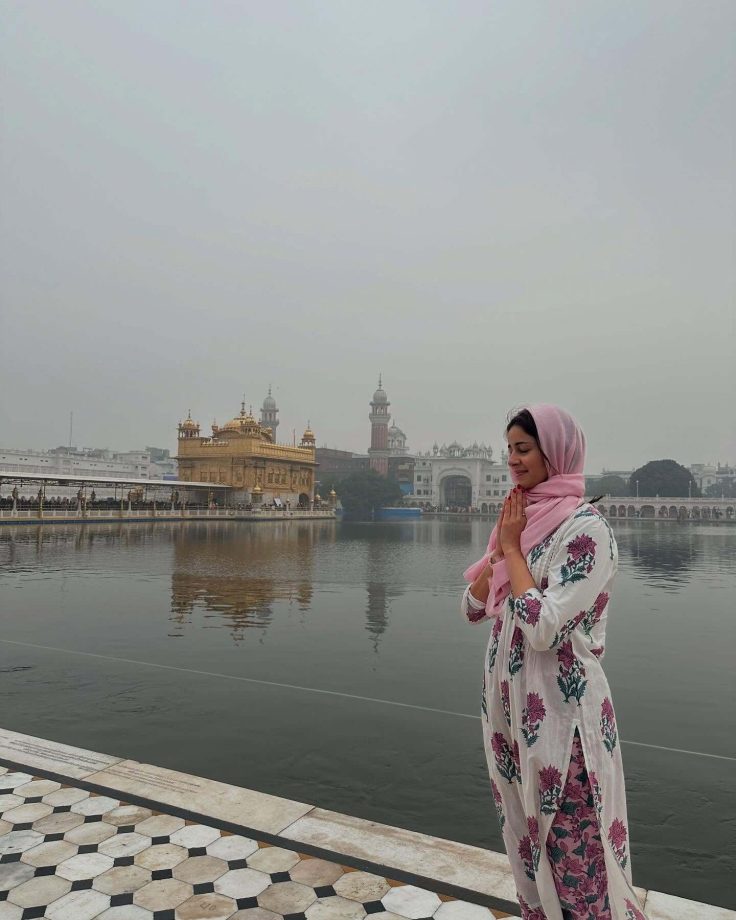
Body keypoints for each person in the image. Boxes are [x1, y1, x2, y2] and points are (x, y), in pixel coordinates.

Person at [461, 405, 647, 920]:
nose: (513, 462)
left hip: (566, 726)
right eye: (510, 451)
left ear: (556, 453)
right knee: (527, 851)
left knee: (577, 857)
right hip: (512, 717)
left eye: (523, 450)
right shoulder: (525, 520)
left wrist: (515, 555)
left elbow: (544, 629)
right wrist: (502, 553)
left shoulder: (587, 532)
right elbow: (474, 608)